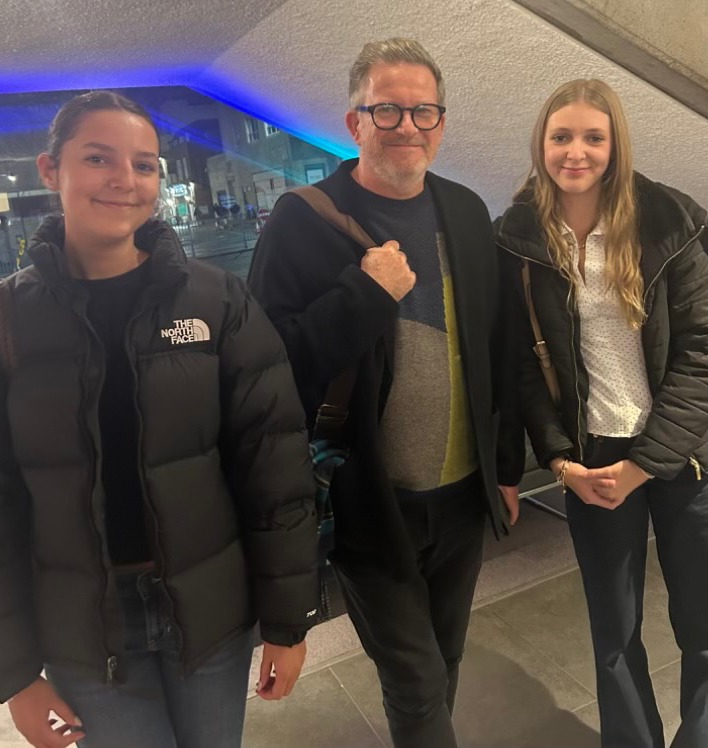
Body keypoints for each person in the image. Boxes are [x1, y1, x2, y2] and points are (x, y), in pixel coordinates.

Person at [0, 91, 318, 748]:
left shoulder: (216, 299)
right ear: (50, 169)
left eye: (144, 164)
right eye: (98, 158)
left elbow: (274, 467)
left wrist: (289, 621)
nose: (125, 179)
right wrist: (14, 675)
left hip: (209, 610)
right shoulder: (9, 319)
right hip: (83, 629)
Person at [249, 38, 525, 748]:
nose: (407, 126)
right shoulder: (301, 221)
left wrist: (506, 467)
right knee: (416, 679)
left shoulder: (466, 210)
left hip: (463, 497)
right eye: (387, 110)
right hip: (369, 502)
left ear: (442, 123)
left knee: (444, 657)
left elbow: (498, 347)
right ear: (355, 122)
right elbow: (270, 368)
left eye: (423, 111)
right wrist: (365, 295)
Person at [495, 79, 708, 748]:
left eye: (592, 137)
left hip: (691, 452)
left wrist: (643, 466)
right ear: (541, 145)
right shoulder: (518, 240)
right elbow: (525, 368)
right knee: (614, 631)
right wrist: (559, 461)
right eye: (561, 136)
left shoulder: (666, 221)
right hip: (593, 459)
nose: (575, 151)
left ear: (616, 146)